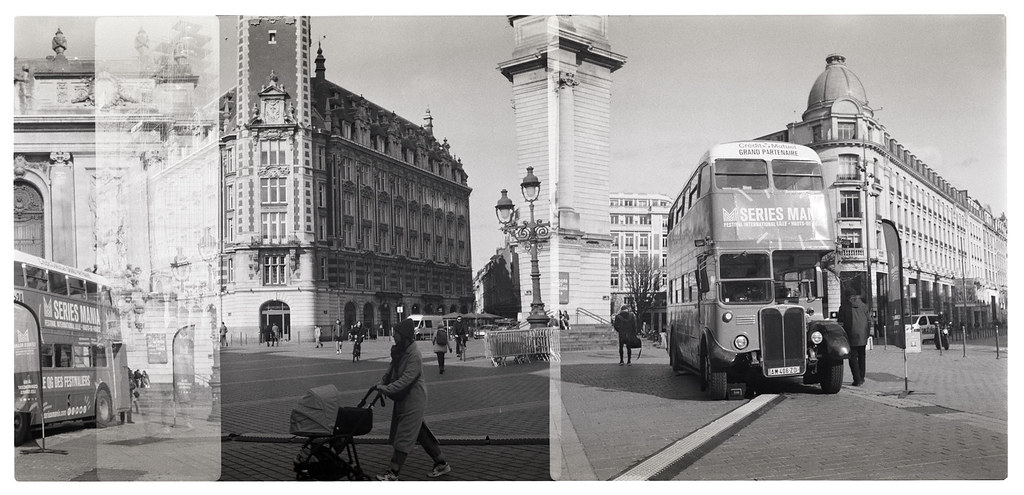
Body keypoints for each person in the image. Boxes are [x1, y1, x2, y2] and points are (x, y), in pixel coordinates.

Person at [374, 319, 451, 481]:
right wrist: (382, 382)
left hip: (414, 399)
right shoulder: (400, 351)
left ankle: (393, 473)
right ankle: (441, 463)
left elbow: (406, 380)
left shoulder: (414, 355)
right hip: (404, 398)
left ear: (404, 336)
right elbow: (391, 370)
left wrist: (386, 389)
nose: (393, 337)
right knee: (420, 434)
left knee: (404, 435)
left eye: (396, 334)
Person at [837, 291, 871, 386]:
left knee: (852, 357)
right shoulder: (864, 306)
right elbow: (869, 321)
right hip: (863, 335)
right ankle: (862, 377)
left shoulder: (844, 307)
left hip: (850, 335)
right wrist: (867, 334)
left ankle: (857, 379)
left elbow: (841, 323)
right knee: (862, 356)